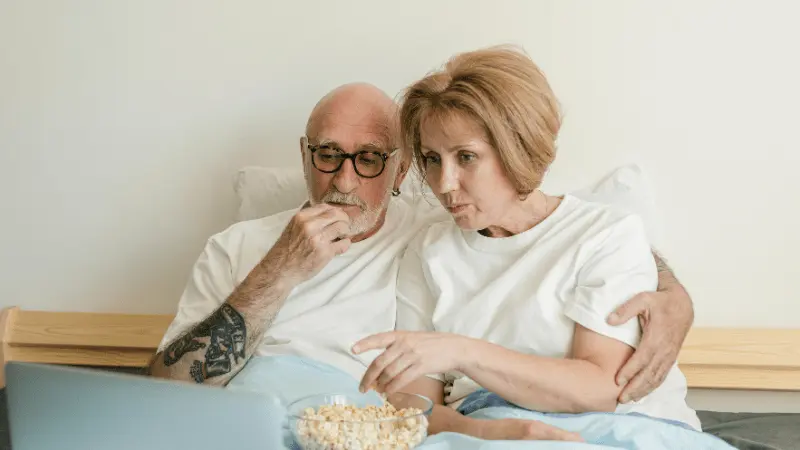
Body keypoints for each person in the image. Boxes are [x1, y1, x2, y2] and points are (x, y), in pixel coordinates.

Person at [148, 81, 695, 440]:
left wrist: (671, 292)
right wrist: (278, 272)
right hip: (244, 425)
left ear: (401, 168)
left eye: (367, 160)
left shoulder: (437, 225)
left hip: (356, 428)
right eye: (327, 154)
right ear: (304, 154)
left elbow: (543, 223)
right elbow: (168, 393)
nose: (343, 180)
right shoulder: (236, 245)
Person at [352, 46, 703, 439]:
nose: (444, 184)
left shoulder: (606, 234)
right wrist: (496, 434)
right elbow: (413, 405)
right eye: (432, 159)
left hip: (617, 429)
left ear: (518, 147)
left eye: (466, 157)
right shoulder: (427, 251)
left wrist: (461, 350)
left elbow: (601, 388)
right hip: (484, 428)